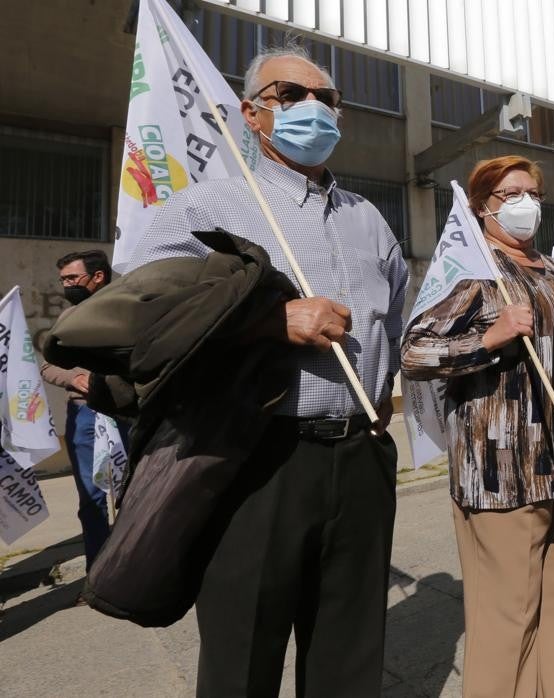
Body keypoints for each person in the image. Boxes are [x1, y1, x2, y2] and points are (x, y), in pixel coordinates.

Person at [129, 46, 409, 695]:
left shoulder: (368, 219)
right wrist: (267, 323)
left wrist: (380, 391)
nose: (313, 108)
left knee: (350, 654)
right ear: (252, 115)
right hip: (258, 456)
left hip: (361, 456)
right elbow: (142, 321)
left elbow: (393, 316)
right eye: (290, 95)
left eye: (325, 98)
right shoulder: (207, 210)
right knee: (242, 656)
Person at [403, 155, 554, 697]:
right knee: (507, 611)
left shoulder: (553, 268)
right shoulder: (473, 272)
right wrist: (488, 338)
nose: (525, 203)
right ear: (481, 207)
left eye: (532, 192)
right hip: (508, 466)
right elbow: (414, 353)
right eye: (510, 194)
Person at [40, 250, 123, 572]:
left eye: (72, 278)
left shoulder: (128, 309)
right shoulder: (68, 318)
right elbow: (47, 366)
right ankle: (98, 573)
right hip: (85, 416)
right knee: (91, 498)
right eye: (63, 280)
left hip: (126, 413)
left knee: (135, 492)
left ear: (98, 277)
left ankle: (133, 569)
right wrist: (73, 377)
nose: (66, 285)